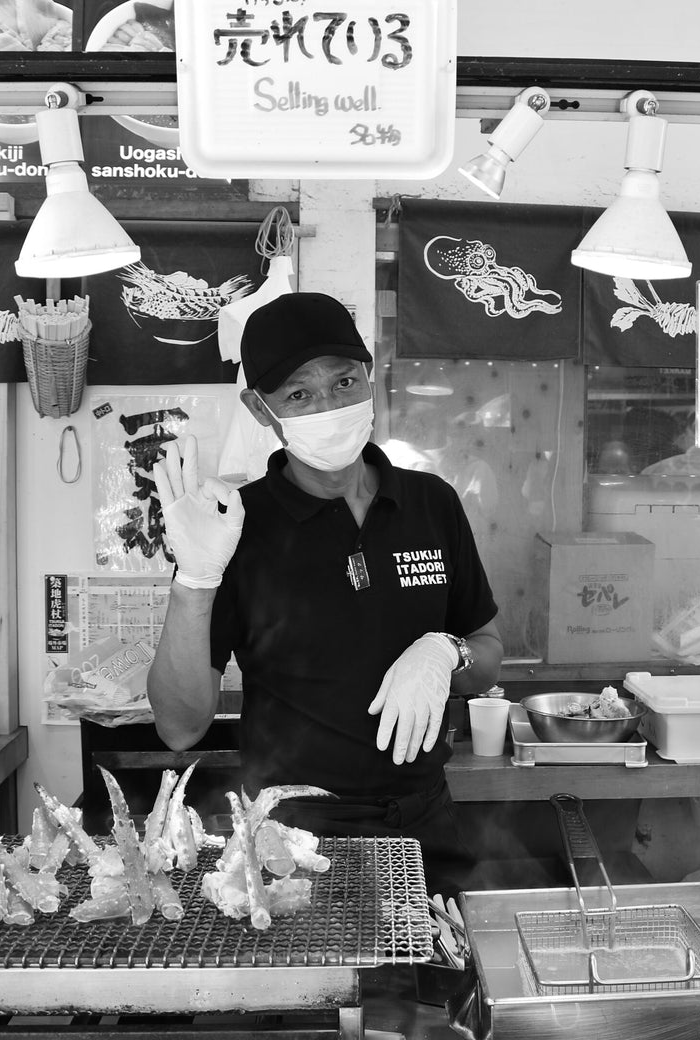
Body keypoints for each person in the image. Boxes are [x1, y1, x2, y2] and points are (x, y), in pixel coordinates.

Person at [145, 292, 504, 897]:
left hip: (425, 820)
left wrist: (447, 652)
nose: (330, 406)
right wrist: (195, 581)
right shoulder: (233, 525)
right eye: (299, 395)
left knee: (439, 960)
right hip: (293, 835)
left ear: (369, 375)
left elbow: (488, 649)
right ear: (260, 409)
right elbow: (180, 728)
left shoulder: (431, 503)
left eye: (344, 382)